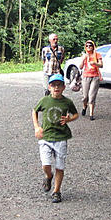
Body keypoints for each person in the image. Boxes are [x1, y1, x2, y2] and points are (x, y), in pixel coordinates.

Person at [32, 73, 79, 203]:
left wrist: (69, 119)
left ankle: (56, 191)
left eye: (59, 85)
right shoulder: (45, 100)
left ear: (64, 87)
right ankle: (48, 176)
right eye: (53, 85)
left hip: (61, 137)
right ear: (49, 87)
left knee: (60, 166)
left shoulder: (67, 102)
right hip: (45, 137)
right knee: (45, 164)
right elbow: (34, 111)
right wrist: (37, 127)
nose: (56, 88)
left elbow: (75, 114)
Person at [79, 40, 103, 120]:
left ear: (93, 46)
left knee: (92, 96)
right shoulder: (85, 55)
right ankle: (84, 106)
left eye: (90, 45)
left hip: (95, 77)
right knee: (85, 96)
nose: (88, 47)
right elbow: (80, 67)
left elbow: (101, 65)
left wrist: (95, 63)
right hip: (86, 76)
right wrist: (83, 59)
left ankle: (91, 114)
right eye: (87, 46)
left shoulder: (97, 55)